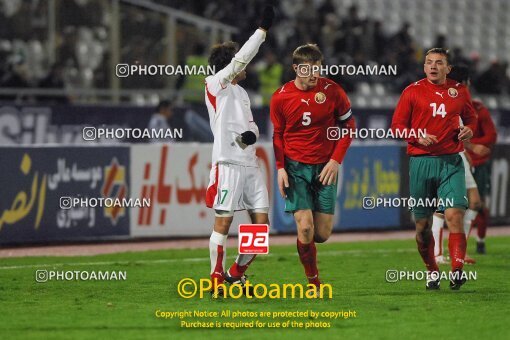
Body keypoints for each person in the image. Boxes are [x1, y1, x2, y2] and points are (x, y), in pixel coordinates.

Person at [270, 44, 355, 293]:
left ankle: (307, 250)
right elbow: (277, 135)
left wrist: (335, 160)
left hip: (325, 167)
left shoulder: (332, 90)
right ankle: (313, 283)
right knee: (305, 227)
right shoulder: (280, 97)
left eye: (318, 68)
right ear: (296, 68)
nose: (314, 74)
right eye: (308, 69)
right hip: (295, 167)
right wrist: (280, 167)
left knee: (322, 234)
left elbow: (349, 126)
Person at [391, 48, 477, 290]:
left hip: (451, 161)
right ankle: (432, 271)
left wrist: (469, 128)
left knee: (454, 215)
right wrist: (416, 135)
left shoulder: (459, 91)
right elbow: (396, 127)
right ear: (424, 66)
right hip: (421, 163)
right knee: (422, 227)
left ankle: (457, 271)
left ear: (447, 69)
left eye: (439, 63)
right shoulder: (412, 92)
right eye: (429, 62)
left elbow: (471, 118)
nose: (433, 66)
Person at [204, 6, 275, 298]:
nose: (245, 66)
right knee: (224, 221)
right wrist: (262, 31)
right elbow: (242, 57)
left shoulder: (242, 93)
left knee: (262, 228)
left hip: (250, 164)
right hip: (228, 164)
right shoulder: (215, 85)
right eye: (239, 62)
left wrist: (251, 135)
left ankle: (235, 274)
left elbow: (253, 128)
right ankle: (216, 280)